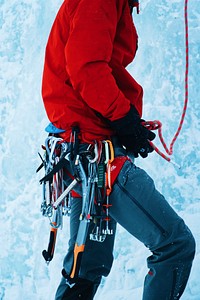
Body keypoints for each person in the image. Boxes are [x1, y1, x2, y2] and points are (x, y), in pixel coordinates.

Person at [41, 0, 195, 299]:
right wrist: (124, 118)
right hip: (94, 152)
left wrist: (126, 123)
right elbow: (86, 68)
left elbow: (94, 65)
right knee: (175, 245)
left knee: (87, 266)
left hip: (84, 149)